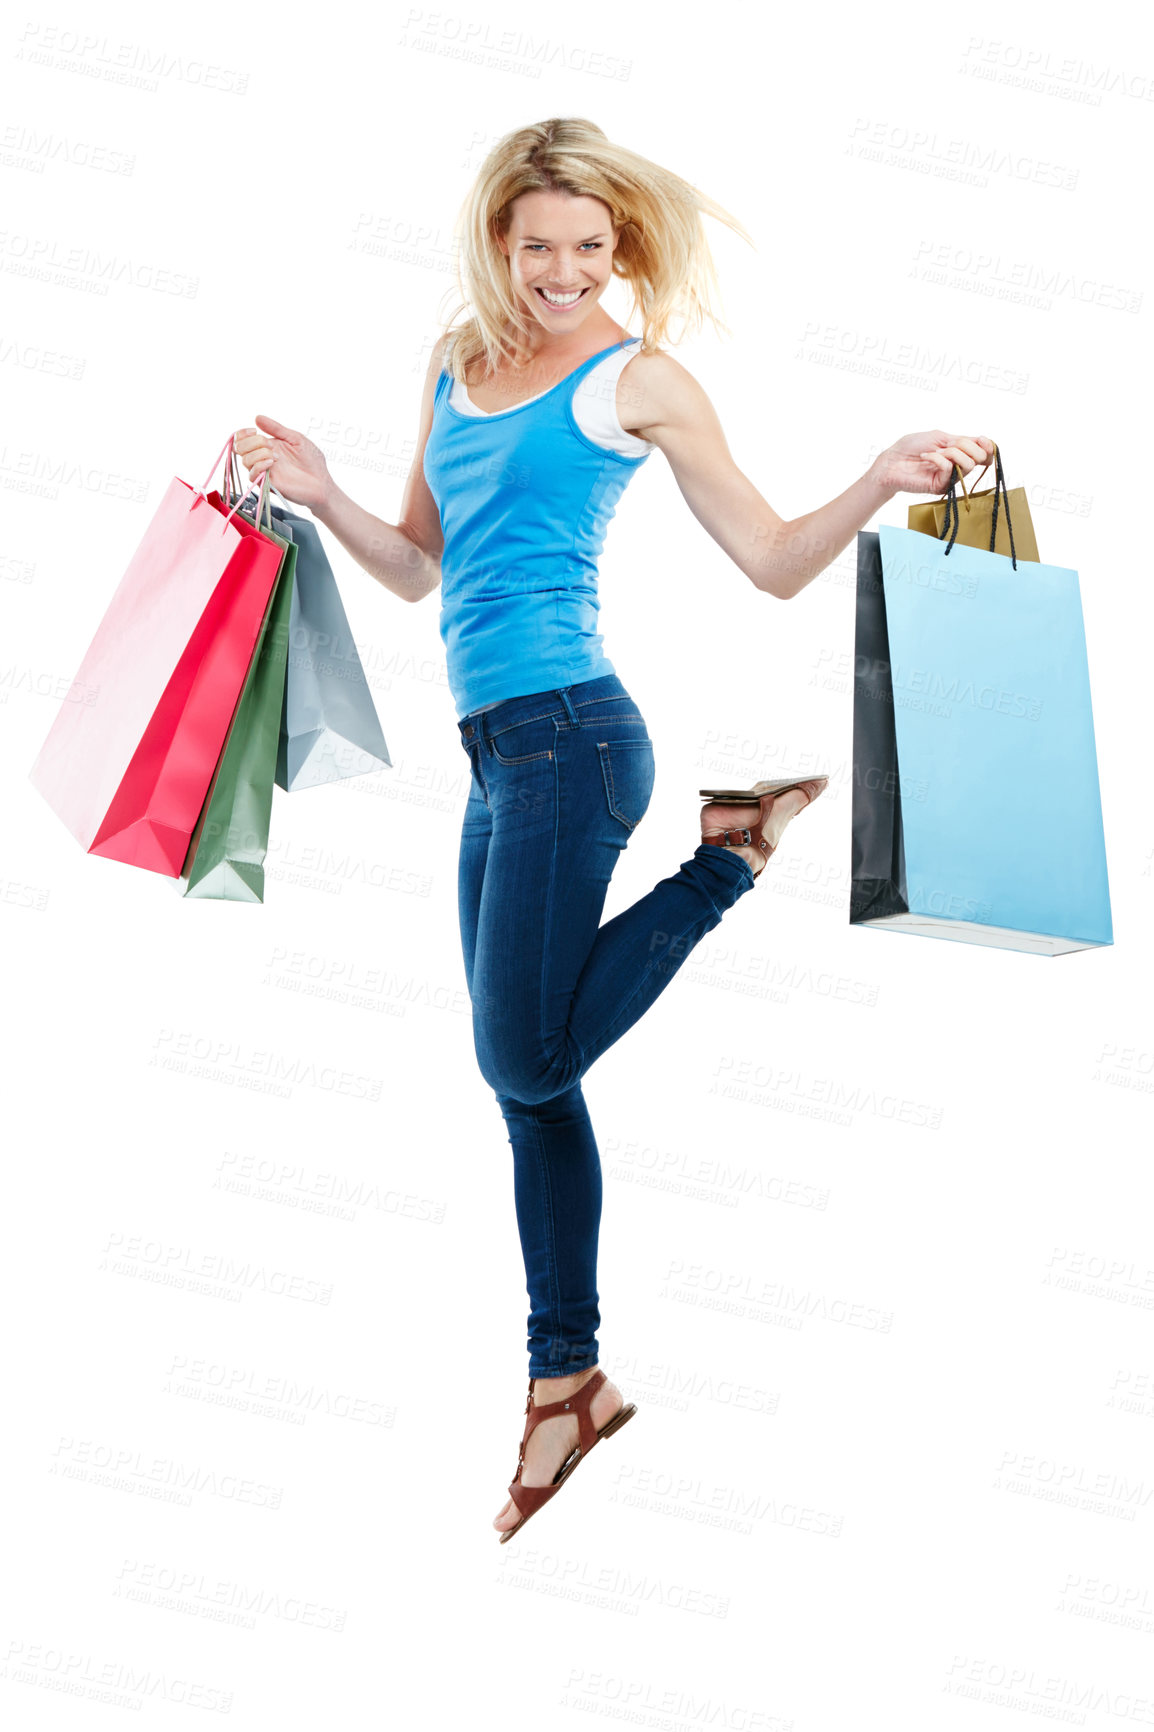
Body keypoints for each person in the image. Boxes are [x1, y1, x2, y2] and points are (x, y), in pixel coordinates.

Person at [234, 116, 992, 1542]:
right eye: (538, 249)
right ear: (497, 245)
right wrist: (321, 489)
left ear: (620, 252)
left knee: (519, 1048)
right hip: (493, 756)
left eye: (590, 249)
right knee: (530, 1086)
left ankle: (725, 854)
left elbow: (770, 562)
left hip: (577, 740)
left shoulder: (636, 380)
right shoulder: (455, 369)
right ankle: (566, 1383)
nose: (563, 273)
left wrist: (882, 477)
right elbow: (417, 573)